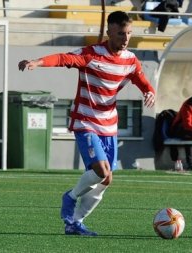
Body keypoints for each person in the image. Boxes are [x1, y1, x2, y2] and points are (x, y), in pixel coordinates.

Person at [18, 11, 156, 236]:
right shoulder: (91, 55)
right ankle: (70, 197)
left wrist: (149, 92)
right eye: (121, 33)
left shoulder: (130, 59)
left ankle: (75, 222)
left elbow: (141, 80)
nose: (126, 38)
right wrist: (37, 62)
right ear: (109, 32)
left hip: (109, 125)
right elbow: (64, 58)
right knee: (101, 170)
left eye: (129, 33)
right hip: (85, 121)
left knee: (107, 178)